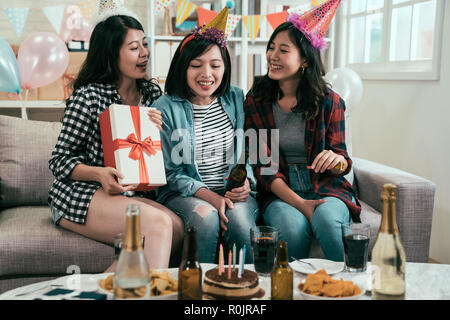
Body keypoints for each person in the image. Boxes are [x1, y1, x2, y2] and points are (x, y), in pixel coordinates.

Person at [48, 6, 183, 272]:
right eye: (134, 48)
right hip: (82, 193)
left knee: (179, 228)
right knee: (160, 225)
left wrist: (162, 131)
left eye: (145, 45)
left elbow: (162, 158)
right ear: (112, 53)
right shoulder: (88, 98)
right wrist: (100, 175)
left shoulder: (152, 96)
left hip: (129, 193)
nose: (144, 53)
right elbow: (59, 160)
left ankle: (101, 291)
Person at [243, 0, 361, 262]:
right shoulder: (256, 100)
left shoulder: (331, 102)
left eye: (283, 50)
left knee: (329, 221)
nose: (273, 56)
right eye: (271, 48)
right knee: (291, 229)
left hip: (326, 187)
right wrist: (301, 205)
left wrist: (338, 161)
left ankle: (344, 286)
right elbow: (265, 167)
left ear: (305, 59)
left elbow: (342, 161)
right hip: (280, 189)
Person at [153, 8, 259, 263]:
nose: (206, 74)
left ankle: (246, 291)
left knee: (241, 225)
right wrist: (211, 197)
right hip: (186, 195)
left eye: (215, 65)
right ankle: (198, 293)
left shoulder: (235, 97)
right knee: (207, 218)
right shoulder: (164, 107)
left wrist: (246, 183)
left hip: (233, 193)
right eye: (196, 65)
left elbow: (250, 149)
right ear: (183, 67)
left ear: (225, 66)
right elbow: (171, 174)